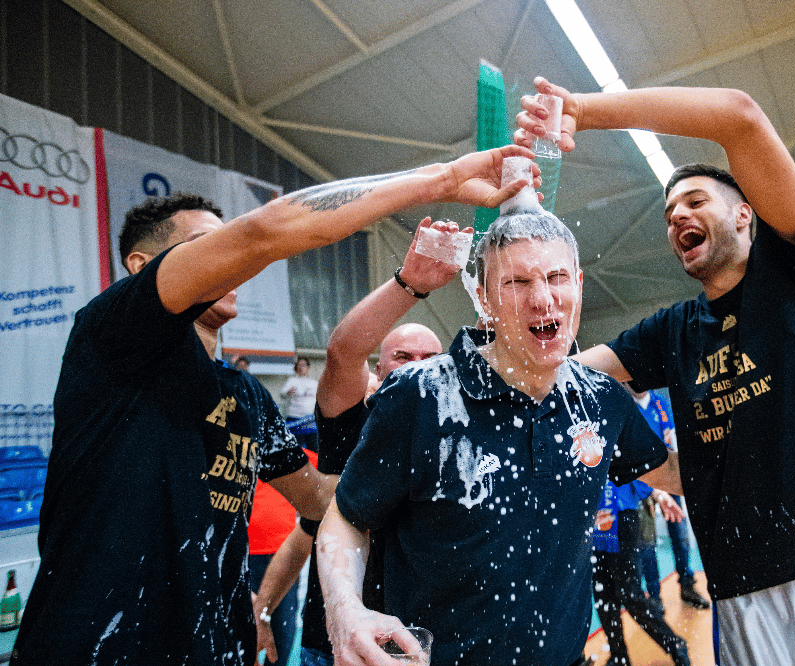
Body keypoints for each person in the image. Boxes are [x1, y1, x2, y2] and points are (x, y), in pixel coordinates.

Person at [11, 143, 540, 666]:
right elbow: (265, 234)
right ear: (142, 267)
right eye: (206, 246)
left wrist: (432, 479)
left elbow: (315, 498)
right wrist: (442, 179)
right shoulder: (111, 341)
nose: (233, 262)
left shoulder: (245, 396)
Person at [516, 79, 795, 666]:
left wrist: (584, 110)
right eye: (668, 213)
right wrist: (533, 296)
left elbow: (738, 115)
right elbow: (566, 378)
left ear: (744, 213)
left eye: (694, 200)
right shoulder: (670, 330)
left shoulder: (794, 276)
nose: (677, 214)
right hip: (743, 590)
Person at [317, 210, 682, 666]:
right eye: (516, 283)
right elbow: (347, 516)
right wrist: (344, 611)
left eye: (557, 277)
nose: (543, 298)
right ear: (485, 299)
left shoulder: (600, 399)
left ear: (580, 284)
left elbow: (671, 473)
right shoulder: (422, 395)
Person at [253, 217, 461, 666]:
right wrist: (263, 609)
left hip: (420, 642)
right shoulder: (353, 420)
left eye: (429, 359)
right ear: (379, 372)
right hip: (336, 643)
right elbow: (307, 533)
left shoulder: (458, 434)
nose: (415, 367)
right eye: (401, 358)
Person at [592, 477, 689, 666]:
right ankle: (618, 656)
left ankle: (675, 644)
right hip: (594, 526)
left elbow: (635, 465)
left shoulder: (615, 447)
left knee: (630, 595)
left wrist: (658, 492)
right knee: (603, 596)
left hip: (622, 518)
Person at [629, 387, 710, 610]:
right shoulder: (625, 406)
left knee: (680, 534)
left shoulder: (659, 401)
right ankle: (654, 595)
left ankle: (687, 584)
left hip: (668, 475)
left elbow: (672, 437)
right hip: (641, 482)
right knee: (647, 543)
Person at [246, 446, 319, 666]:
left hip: (286, 557)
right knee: (242, 638)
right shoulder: (230, 451)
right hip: (245, 557)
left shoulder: (296, 455)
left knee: (281, 641)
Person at [281, 357, 320, 450]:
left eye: (303, 365)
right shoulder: (292, 381)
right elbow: (282, 394)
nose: (301, 367)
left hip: (310, 420)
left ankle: (313, 465)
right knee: (295, 449)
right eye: (299, 365)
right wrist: (288, 393)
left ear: (308, 367)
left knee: (313, 448)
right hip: (295, 419)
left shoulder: (314, 383)